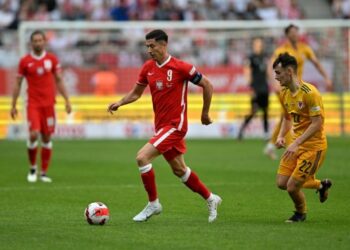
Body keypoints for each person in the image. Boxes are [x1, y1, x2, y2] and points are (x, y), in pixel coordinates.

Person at [107, 29, 222, 223]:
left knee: (142, 158)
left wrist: (205, 113)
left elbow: (208, 85)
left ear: (163, 45)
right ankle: (211, 198)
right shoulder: (147, 68)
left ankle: (154, 204)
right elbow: (136, 93)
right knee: (179, 170)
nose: (149, 50)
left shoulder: (181, 67)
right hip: (161, 127)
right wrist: (120, 102)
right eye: (147, 47)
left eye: (152, 46)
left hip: (176, 126)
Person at [273, 52, 332, 223]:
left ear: (289, 72)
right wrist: (281, 136)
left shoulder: (310, 93)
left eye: (278, 73)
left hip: (313, 148)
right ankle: (321, 185)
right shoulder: (284, 93)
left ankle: (301, 213)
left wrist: (297, 142)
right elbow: (287, 117)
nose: (276, 77)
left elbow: (317, 123)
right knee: (282, 183)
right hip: (295, 145)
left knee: (292, 187)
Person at [10, 30, 72, 183]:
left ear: (44, 42)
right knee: (33, 134)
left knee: (46, 137)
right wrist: (13, 105)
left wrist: (67, 100)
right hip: (33, 104)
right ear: (31, 43)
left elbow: (59, 80)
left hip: (49, 104)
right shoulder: (25, 61)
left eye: (40, 40)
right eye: (35, 41)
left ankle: (43, 173)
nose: (38, 43)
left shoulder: (52, 59)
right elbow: (17, 84)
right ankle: (32, 168)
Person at [264, 24, 332, 160]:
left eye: (296, 32)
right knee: (287, 115)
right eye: (292, 32)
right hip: (285, 88)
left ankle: (281, 143)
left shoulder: (304, 48)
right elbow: (270, 67)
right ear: (287, 34)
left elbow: (316, 63)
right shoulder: (282, 50)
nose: (295, 34)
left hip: (299, 88)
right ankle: (279, 144)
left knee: (292, 116)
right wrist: (274, 84)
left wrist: (326, 77)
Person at [237, 37, 270, 140]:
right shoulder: (250, 58)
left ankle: (266, 134)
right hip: (255, 88)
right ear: (254, 45)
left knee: (265, 111)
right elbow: (247, 72)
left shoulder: (265, 57)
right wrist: (250, 87)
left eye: (260, 44)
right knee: (253, 111)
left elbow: (268, 72)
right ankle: (241, 131)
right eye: (257, 44)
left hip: (264, 87)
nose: (259, 46)